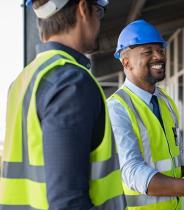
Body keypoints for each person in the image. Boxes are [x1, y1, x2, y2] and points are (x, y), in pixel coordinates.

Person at [0, 0, 126, 209]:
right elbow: (68, 202)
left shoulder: (23, 80)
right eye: (98, 12)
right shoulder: (71, 82)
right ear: (83, 9)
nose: (99, 22)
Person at [107, 19, 184, 210]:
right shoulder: (117, 108)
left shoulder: (165, 101)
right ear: (126, 62)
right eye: (148, 51)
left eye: (161, 50)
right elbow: (132, 172)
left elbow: (175, 162)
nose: (159, 56)